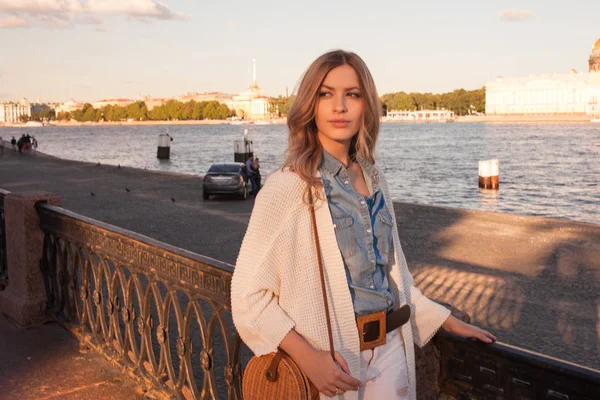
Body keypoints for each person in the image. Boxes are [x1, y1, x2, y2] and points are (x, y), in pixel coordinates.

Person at [231, 50, 495, 400]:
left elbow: (393, 278)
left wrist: (442, 318)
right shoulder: (289, 187)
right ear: (311, 105)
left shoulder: (375, 179)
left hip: (390, 354)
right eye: (326, 94)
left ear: (365, 105)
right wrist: (309, 359)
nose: (339, 106)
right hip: (331, 363)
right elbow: (248, 296)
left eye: (352, 94)